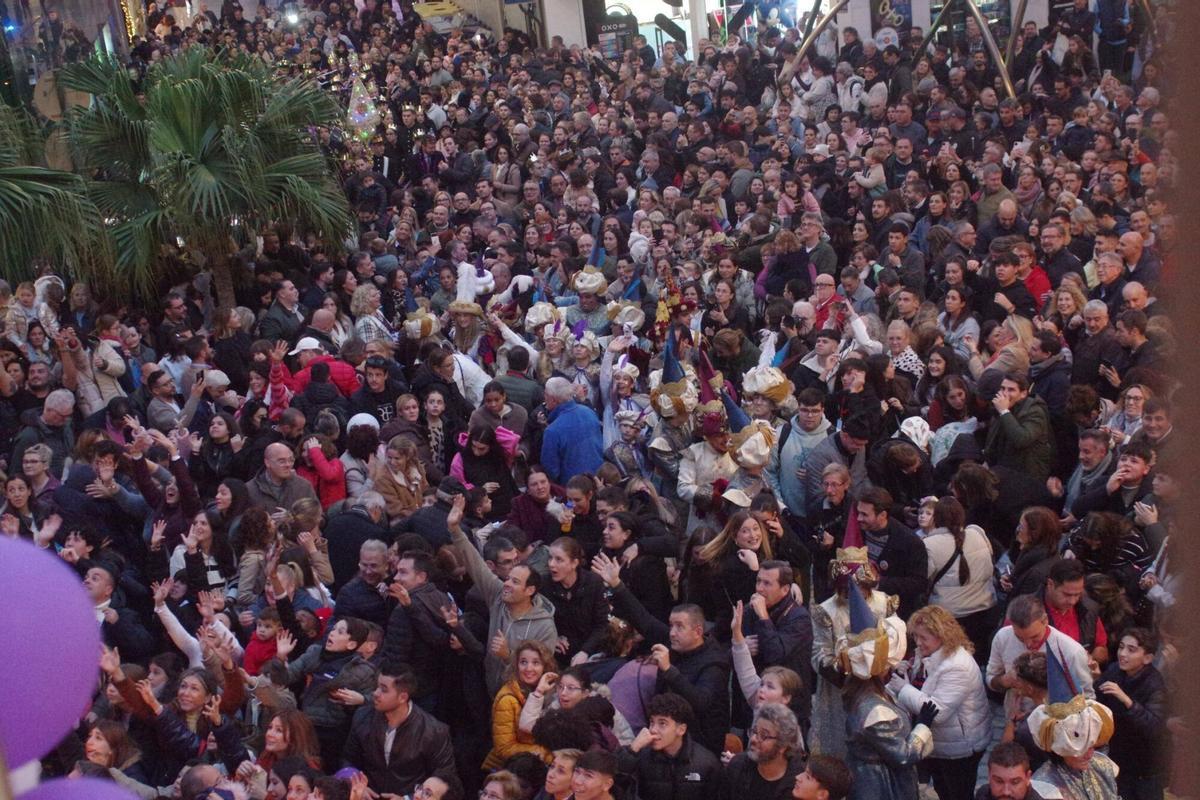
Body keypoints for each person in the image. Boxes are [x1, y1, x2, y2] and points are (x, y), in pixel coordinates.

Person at [837, 582, 936, 800]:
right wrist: (922, 728)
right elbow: (903, 755)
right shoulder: (873, 710)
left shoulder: (864, 693)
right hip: (879, 784)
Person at [888, 605, 990, 800]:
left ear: (941, 636)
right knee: (944, 792)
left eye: (923, 638)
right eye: (915, 636)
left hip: (960, 748)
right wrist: (906, 672)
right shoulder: (928, 654)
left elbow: (937, 711)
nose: (918, 643)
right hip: (941, 744)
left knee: (957, 794)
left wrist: (903, 688)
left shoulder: (957, 666)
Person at [342, 660, 460, 798]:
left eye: (384, 689)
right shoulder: (363, 716)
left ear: (402, 697)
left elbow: (446, 781)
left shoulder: (434, 731)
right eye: (377, 687)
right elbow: (347, 759)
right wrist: (356, 784)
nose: (375, 693)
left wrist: (408, 798)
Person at [1095, 627, 1168, 800]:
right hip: (1118, 757)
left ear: (1148, 658)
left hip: (1146, 766)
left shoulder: (1155, 684)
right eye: (1121, 647)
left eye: (1131, 650)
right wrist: (1095, 678)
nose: (1123, 653)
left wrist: (1127, 700)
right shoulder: (1114, 670)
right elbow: (1098, 701)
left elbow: (1154, 726)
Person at [615, 692, 723, 800]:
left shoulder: (706, 763)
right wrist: (633, 749)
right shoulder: (642, 756)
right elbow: (615, 782)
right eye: (652, 722)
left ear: (681, 729)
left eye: (662, 723)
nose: (653, 730)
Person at [854, 488, 927, 618]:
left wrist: (878, 583)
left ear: (882, 515)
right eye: (858, 513)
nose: (859, 518)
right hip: (860, 606)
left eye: (864, 514)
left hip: (893, 614)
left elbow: (918, 583)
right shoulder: (856, 532)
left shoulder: (909, 542)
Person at [723, 702, 805, 799]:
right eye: (754, 731)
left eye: (763, 736)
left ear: (783, 745)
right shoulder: (737, 766)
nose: (753, 739)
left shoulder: (798, 783)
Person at [540, 376, 604, 485]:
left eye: (545, 394)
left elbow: (551, 469)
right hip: (597, 480)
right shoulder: (589, 412)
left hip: (572, 488)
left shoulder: (553, 430)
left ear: (553, 399)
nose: (543, 397)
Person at [975, 742, 1047, 800]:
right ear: (989, 776)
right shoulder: (983, 795)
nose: (1006, 792)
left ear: (1028, 778)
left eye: (1015, 782)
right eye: (999, 781)